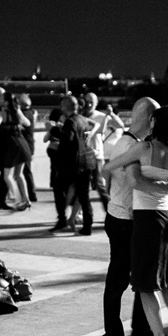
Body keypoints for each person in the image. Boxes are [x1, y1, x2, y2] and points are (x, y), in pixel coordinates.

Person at [109, 106, 168, 336]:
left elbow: (113, 164)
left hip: (146, 220)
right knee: (166, 279)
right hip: (167, 219)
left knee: (145, 286)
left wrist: (126, 173)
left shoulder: (144, 148)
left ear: (154, 123)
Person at [98, 97, 158, 336]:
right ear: (149, 119)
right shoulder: (128, 144)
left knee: (139, 277)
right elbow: (132, 180)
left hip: (125, 218)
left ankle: (142, 331)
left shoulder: (131, 142)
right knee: (119, 280)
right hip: (123, 221)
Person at [52, 95, 97, 235]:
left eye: (62, 106)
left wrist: (54, 130)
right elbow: (90, 128)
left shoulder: (70, 121)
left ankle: (62, 220)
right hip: (88, 161)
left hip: (74, 164)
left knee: (58, 187)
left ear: (65, 107)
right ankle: (87, 226)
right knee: (84, 195)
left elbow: (68, 138)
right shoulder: (83, 119)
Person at [82, 92, 121, 212]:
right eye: (87, 101)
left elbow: (120, 125)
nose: (89, 104)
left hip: (96, 154)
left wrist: (111, 114)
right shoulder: (79, 115)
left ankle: (110, 211)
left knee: (99, 185)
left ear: (96, 103)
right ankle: (80, 213)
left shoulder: (101, 116)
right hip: (81, 155)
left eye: (91, 102)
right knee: (81, 187)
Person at [44, 108, 66, 222]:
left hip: (56, 155)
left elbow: (45, 139)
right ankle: (64, 214)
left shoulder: (63, 127)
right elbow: (45, 138)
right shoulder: (57, 127)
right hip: (57, 156)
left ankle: (62, 215)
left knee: (60, 187)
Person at [18, 93, 38, 202]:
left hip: (23, 146)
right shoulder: (32, 113)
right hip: (30, 145)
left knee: (23, 172)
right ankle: (32, 194)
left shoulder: (22, 115)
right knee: (28, 171)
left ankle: (30, 194)